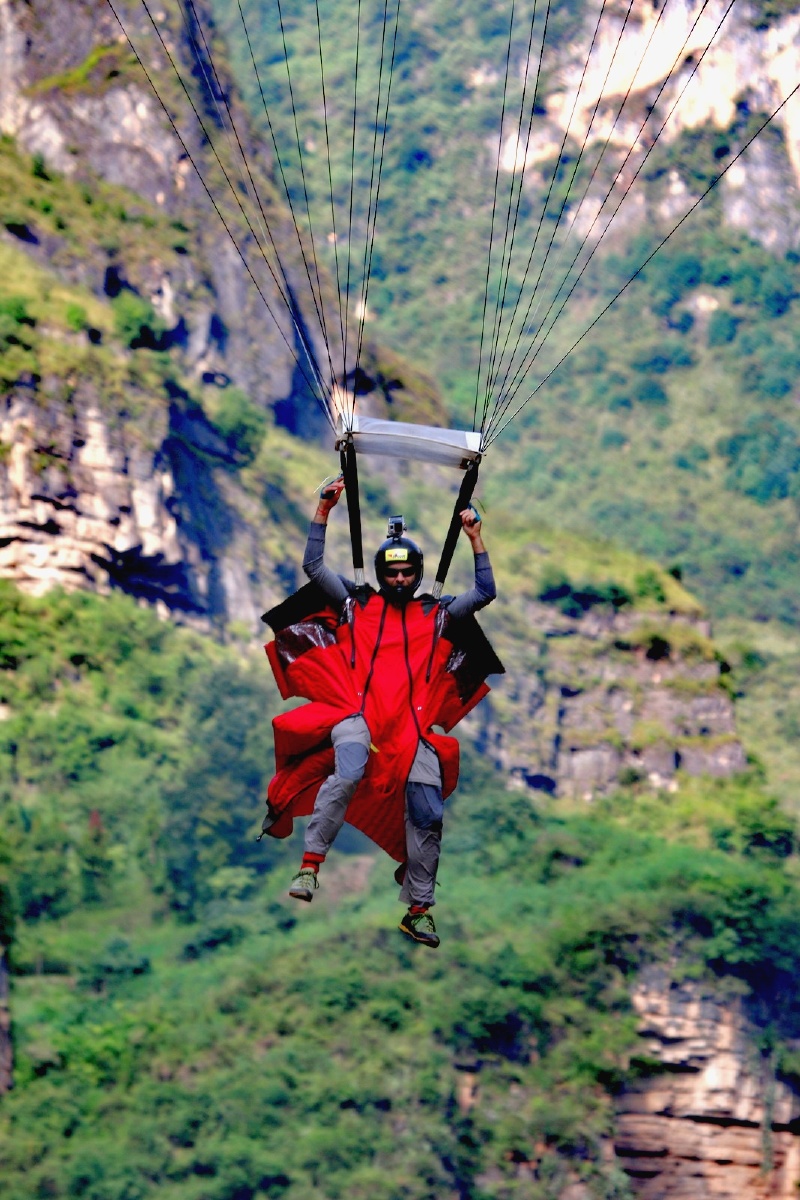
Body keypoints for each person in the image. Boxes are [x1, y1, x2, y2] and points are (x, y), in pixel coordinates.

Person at [261, 477, 500, 948]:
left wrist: (474, 537)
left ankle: (419, 910)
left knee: (428, 814)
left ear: (417, 573)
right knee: (349, 770)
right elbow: (313, 566)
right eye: (392, 573)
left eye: (407, 573)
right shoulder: (355, 604)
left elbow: (485, 591)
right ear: (380, 573)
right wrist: (323, 510)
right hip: (359, 717)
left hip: (411, 730)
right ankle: (310, 866)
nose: (400, 580)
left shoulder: (438, 615)